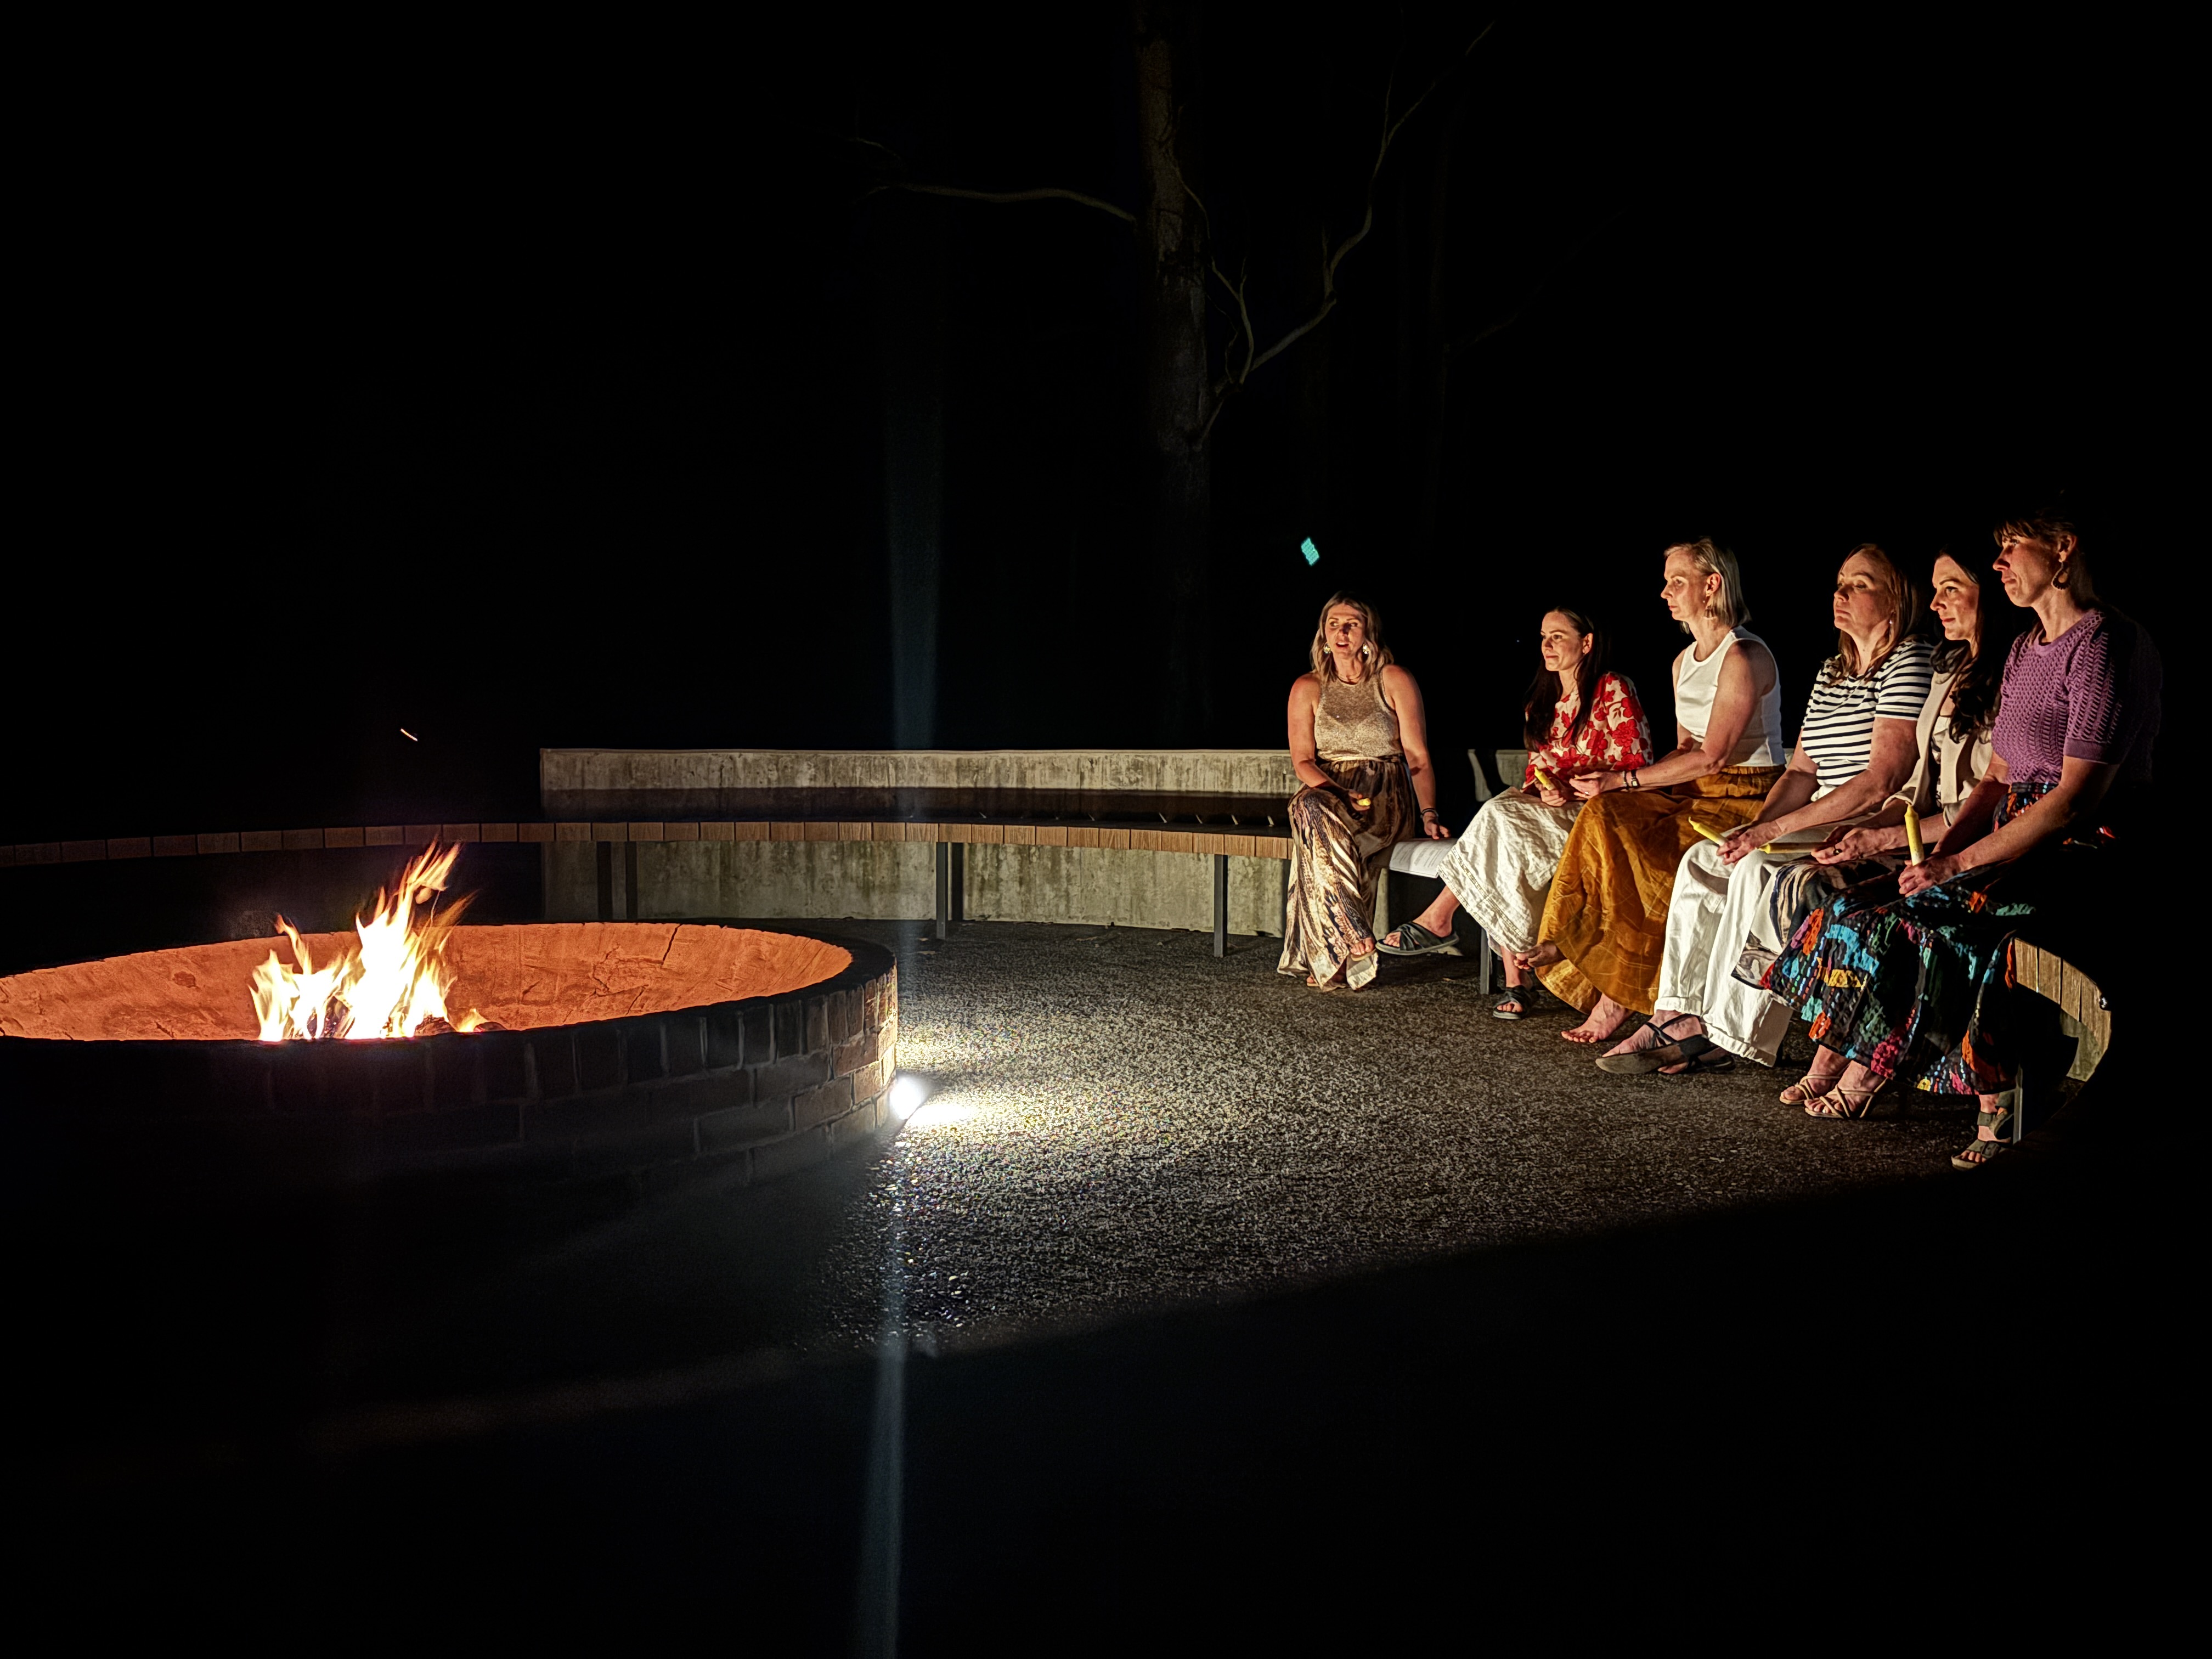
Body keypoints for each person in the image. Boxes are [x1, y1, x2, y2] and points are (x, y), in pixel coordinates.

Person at [1762, 510, 2161, 1166]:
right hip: (2015, 834)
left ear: (2063, 549)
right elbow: (1998, 779)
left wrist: (1956, 869)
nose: (1999, 563)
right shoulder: (2026, 649)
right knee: (1861, 905)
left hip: (2083, 847)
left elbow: (2072, 801)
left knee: (1943, 916)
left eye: (2012, 547)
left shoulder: (2107, 643)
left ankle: (1996, 1095)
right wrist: (1942, 856)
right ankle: (1861, 1051)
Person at [1594, 545, 1933, 1075]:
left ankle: (1726, 1033)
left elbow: (1880, 780)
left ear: (1897, 600)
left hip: (1869, 820)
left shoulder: (1910, 661)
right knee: (1708, 859)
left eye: (1860, 584)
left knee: (1756, 867)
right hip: (1819, 813)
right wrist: (1755, 827)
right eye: (1840, 582)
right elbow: (1800, 773)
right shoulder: (1833, 670)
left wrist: (1772, 831)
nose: (1840, 594)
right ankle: (1675, 1012)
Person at [1765, 548, 2027, 1107]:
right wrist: (1868, 831)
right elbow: (1912, 786)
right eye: (1935, 590)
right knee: (1833, 895)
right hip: (1922, 836)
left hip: (1973, 840)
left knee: (1870, 913)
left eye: (1952, 589)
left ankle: (1869, 1063)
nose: (1936, 603)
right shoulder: (1950, 667)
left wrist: (1891, 840)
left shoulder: (2015, 673)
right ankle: (1833, 1047)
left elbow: (1984, 800)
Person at [1517, 539, 1788, 1041]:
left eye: (1677, 582)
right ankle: (1567, 935)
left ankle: (1617, 1000)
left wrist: (1623, 779)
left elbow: (1715, 755)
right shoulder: (1684, 661)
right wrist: (1618, 791)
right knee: (1606, 814)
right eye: (1667, 583)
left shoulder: (1744, 654)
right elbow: (1685, 750)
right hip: (1696, 788)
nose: (1665, 593)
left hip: (1746, 795)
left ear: (1712, 586)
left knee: (1663, 862)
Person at [1376, 607, 1653, 1020]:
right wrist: (1547, 787)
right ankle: (1511, 977)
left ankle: (1453, 928)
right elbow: (1535, 773)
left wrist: (1574, 787)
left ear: (1587, 643)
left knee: (1501, 820)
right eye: (1543, 636)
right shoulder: (1540, 701)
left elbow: (1637, 761)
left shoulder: (1612, 688)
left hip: (1601, 810)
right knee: (1502, 825)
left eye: (1558, 636)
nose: (1547, 645)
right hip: (1554, 811)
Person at [1279, 594, 1448, 991]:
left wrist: (1429, 813)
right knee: (1309, 806)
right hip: (1329, 791)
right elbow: (1303, 761)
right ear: (1323, 634)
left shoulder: (1393, 679)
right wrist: (1339, 793)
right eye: (1333, 624)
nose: (1342, 632)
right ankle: (1353, 933)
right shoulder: (1308, 687)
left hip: (1384, 793)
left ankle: (1335, 953)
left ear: (1368, 633)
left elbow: (1417, 755)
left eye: (1351, 624)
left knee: (1314, 829)